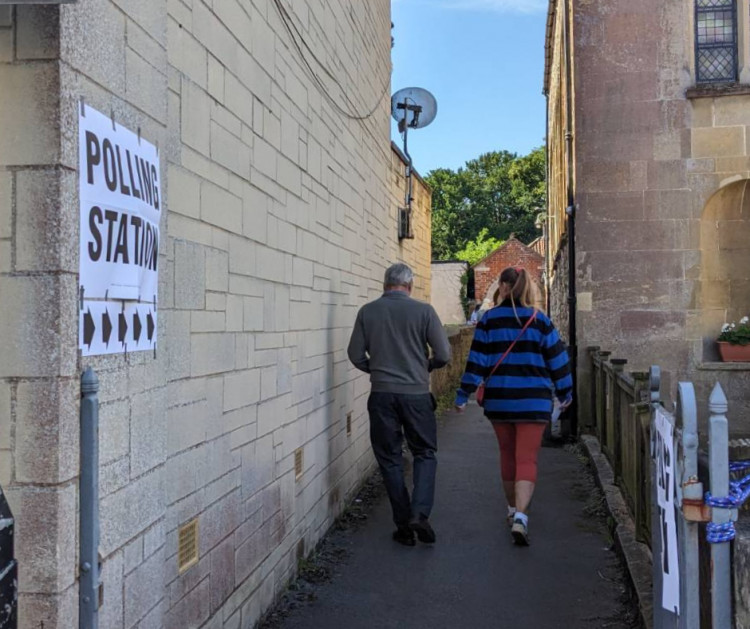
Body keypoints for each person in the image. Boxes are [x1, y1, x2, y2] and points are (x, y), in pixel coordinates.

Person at [454, 267, 572, 546]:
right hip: (534, 402)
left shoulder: (489, 320)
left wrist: (462, 395)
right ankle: (521, 516)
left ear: (504, 286)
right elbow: (558, 361)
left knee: (507, 455)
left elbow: (477, 362)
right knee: (526, 459)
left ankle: (511, 510)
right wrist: (565, 393)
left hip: (500, 400)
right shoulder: (540, 320)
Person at [348, 263, 451, 546]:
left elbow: (355, 354)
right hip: (416, 395)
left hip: (381, 395)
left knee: (390, 458)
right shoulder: (424, 312)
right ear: (410, 285)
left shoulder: (367, 312)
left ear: (385, 285)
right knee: (425, 453)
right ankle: (420, 512)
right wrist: (425, 367)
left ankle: (403, 526)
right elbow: (443, 353)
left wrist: (378, 370)